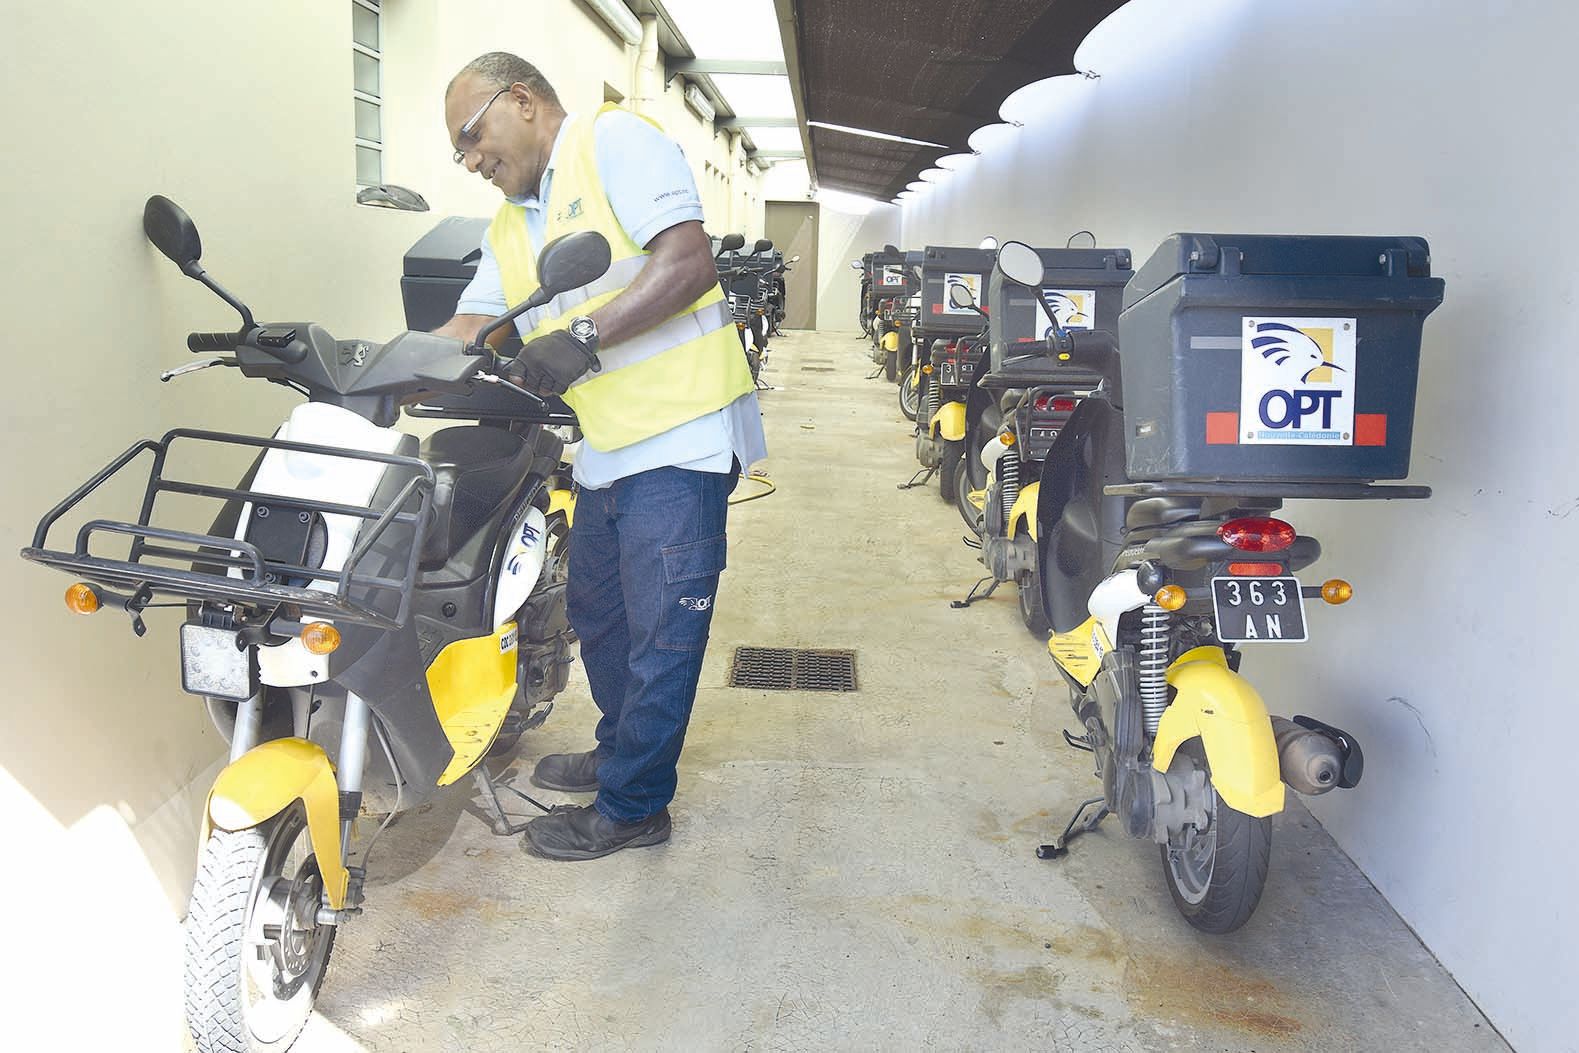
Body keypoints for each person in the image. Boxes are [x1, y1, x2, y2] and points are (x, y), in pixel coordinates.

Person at [434, 52, 766, 860]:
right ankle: (624, 752)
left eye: (472, 138)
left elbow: (687, 263)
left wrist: (581, 337)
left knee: (661, 633)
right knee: (601, 617)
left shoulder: (613, 139)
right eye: (461, 154)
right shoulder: (512, 222)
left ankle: (635, 804)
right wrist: (373, 366)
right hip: (608, 445)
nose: (473, 161)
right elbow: (475, 324)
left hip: (683, 436)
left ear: (520, 101)